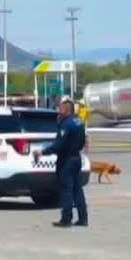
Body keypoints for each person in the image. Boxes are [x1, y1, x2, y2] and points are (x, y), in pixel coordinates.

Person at [34, 96, 88, 228]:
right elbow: (82, 141)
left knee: (66, 190)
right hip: (76, 158)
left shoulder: (67, 124)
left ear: (66, 109)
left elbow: (59, 145)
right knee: (77, 189)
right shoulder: (78, 121)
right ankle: (83, 218)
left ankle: (66, 219)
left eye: (60, 107)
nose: (58, 109)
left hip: (67, 160)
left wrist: (42, 152)